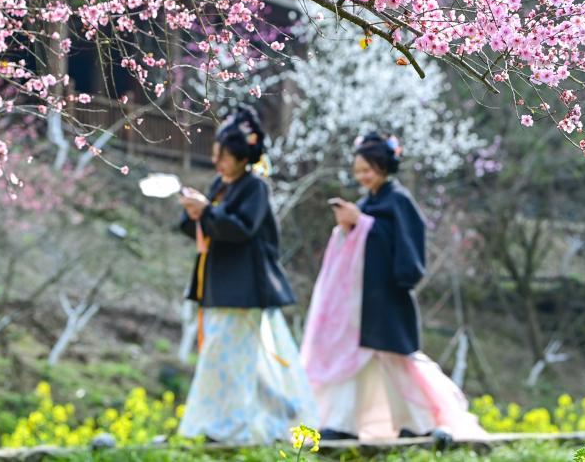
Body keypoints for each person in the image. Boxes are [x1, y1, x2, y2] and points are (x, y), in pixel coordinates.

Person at [301, 132, 486, 441]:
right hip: (361, 300)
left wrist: (363, 223)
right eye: (358, 171)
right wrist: (349, 226)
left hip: (387, 297)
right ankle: (343, 423)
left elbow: (403, 247)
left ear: (384, 167)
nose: (362, 176)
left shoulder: (398, 201)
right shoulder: (367, 203)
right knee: (354, 361)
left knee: (396, 361)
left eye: (368, 169)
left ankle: (421, 423)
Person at [176, 107, 317, 443]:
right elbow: (206, 226)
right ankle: (280, 411)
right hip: (219, 285)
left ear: (243, 158)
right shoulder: (220, 185)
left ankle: (227, 427)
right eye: (216, 155)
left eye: (224, 156)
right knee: (232, 359)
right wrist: (196, 213)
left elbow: (241, 229)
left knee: (227, 358)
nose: (218, 162)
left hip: (244, 288)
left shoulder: (255, 187)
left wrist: (207, 211)